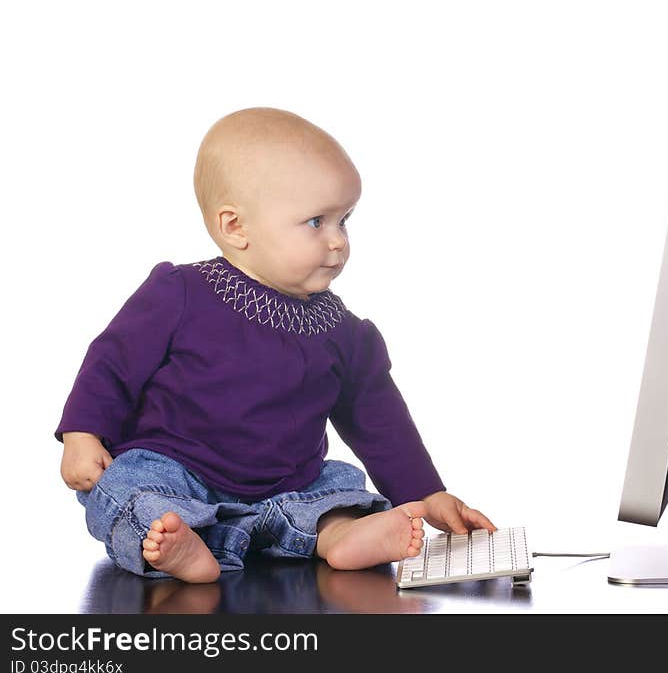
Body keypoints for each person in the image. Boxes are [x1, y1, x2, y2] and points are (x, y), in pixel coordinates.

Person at [57, 106, 496, 583]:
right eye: (316, 223)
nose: (338, 242)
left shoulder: (341, 330)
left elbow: (380, 419)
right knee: (126, 491)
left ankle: (337, 536)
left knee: (338, 491)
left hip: (287, 487)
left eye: (344, 220)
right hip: (176, 473)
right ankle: (184, 545)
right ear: (235, 227)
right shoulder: (181, 292)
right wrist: (83, 432)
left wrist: (427, 493)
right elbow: (112, 361)